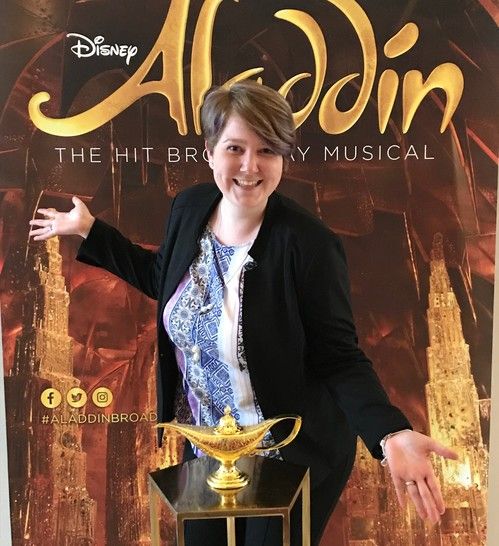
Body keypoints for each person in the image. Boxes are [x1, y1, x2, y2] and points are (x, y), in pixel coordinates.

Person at [29, 80, 458, 545]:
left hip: (289, 455)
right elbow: (164, 280)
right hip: (212, 451)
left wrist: (390, 433)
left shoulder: (309, 245)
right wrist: (91, 230)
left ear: (282, 158)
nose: (250, 166)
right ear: (210, 152)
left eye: (267, 150)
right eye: (235, 148)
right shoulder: (189, 208)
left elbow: (339, 357)